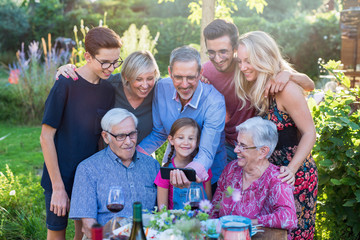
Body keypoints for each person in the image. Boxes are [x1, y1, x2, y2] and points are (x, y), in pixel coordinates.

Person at [39, 27, 121, 240]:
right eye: (105, 62)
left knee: (83, 234)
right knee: (57, 233)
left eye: (115, 62)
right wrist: (58, 188)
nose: (110, 68)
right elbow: (45, 137)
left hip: (88, 178)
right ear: (87, 56)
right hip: (60, 175)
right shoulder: (66, 83)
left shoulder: (108, 91)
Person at [235, 31, 317, 239]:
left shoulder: (285, 89)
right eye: (240, 61)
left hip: (293, 174)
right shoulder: (261, 86)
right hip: (273, 175)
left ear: (262, 57)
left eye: (248, 61)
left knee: (292, 235)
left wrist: (291, 169)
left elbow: (309, 132)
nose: (242, 67)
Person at [202, 19, 315, 163]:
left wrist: (290, 75)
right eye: (211, 52)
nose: (217, 59)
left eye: (223, 52)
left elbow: (309, 86)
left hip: (277, 162)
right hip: (237, 149)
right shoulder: (214, 72)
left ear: (234, 49)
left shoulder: (273, 81)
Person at [137, 46, 227, 194]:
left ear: (200, 73)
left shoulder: (215, 102)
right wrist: (132, 156)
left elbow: (206, 152)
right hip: (172, 171)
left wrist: (186, 173)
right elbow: (160, 133)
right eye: (178, 77)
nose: (184, 85)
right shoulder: (161, 88)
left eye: (191, 77)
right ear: (170, 72)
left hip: (207, 177)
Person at [69, 108, 160, 239]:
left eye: (132, 134)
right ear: (106, 137)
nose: (128, 142)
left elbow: (163, 213)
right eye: (121, 136)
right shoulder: (88, 169)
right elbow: (88, 226)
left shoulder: (152, 165)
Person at [210, 117, 298, 236]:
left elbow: (289, 218)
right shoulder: (231, 169)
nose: (236, 150)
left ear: (263, 151)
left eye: (243, 146)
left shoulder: (277, 178)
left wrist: (248, 223)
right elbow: (214, 209)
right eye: (237, 143)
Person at [56, 50, 160, 143]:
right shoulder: (111, 85)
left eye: (150, 78)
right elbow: (84, 81)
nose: (145, 85)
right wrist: (66, 69)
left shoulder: (159, 90)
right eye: (139, 79)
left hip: (143, 157)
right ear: (126, 77)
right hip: (108, 158)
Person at [155, 118, 212, 210]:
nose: (186, 143)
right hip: (176, 223)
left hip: (201, 222)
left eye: (191, 138)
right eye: (180, 138)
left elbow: (209, 204)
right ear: (171, 140)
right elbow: (162, 211)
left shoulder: (204, 168)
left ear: (197, 142)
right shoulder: (165, 173)